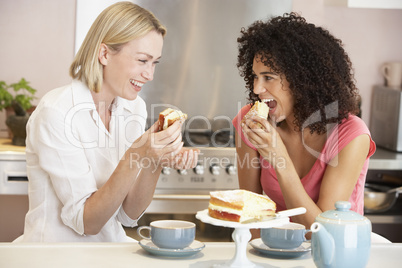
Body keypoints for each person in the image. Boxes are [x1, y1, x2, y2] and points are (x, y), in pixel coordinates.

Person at [22, 2, 198, 242]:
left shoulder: (133, 106)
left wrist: (154, 159)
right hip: (57, 255)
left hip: (110, 250)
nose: (150, 74)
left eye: (154, 62)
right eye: (142, 60)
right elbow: (87, 222)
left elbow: (128, 215)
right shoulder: (56, 112)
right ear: (104, 54)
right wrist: (139, 151)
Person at [233, 13, 376, 233]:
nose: (256, 89)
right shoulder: (251, 121)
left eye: (268, 77)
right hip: (275, 252)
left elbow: (322, 232)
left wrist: (279, 158)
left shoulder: (351, 135)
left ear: (301, 81)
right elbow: (251, 216)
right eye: (255, 76)